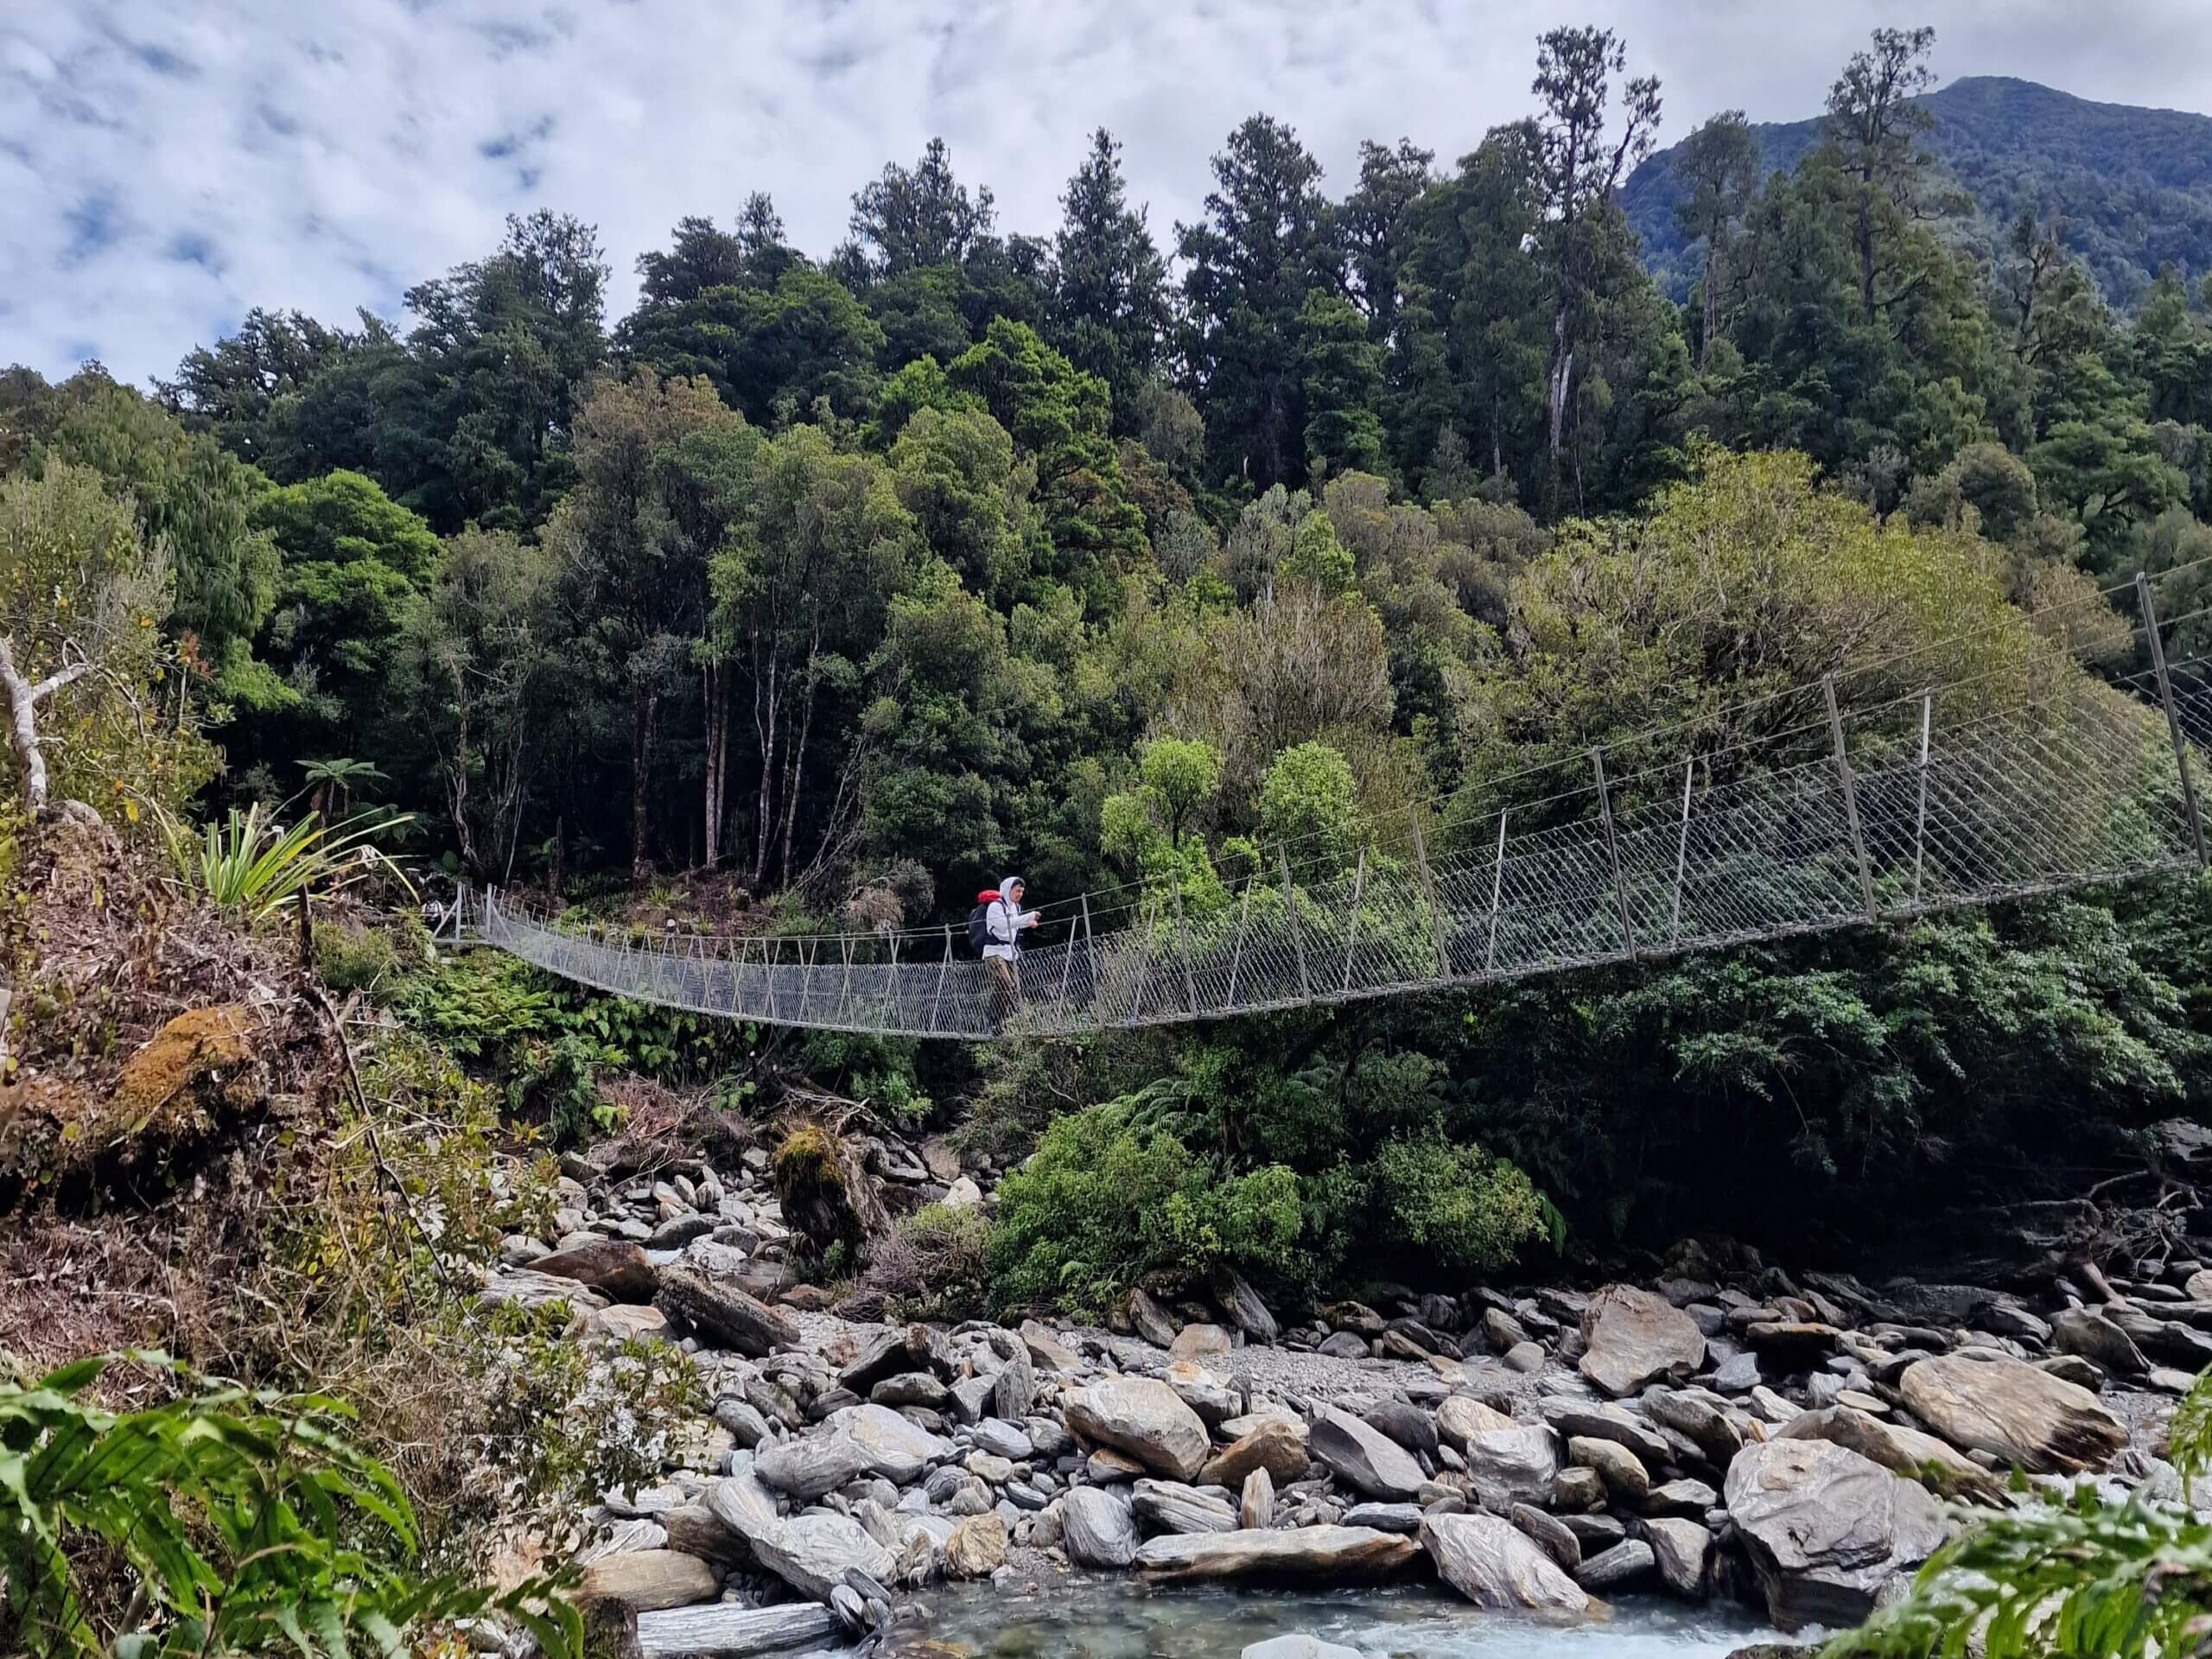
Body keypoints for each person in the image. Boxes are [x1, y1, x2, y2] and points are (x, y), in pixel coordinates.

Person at [982, 874, 1038, 1025]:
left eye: (1021, 891)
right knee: (1006, 984)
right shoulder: (995, 907)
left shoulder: (1015, 908)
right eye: (1017, 891)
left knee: (1010, 988)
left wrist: (1028, 923)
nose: (1020, 894)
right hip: (994, 952)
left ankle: (999, 1021)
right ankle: (993, 1020)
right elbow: (1005, 924)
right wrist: (1029, 916)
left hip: (1009, 953)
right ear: (1008, 890)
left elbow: (1016, 924)